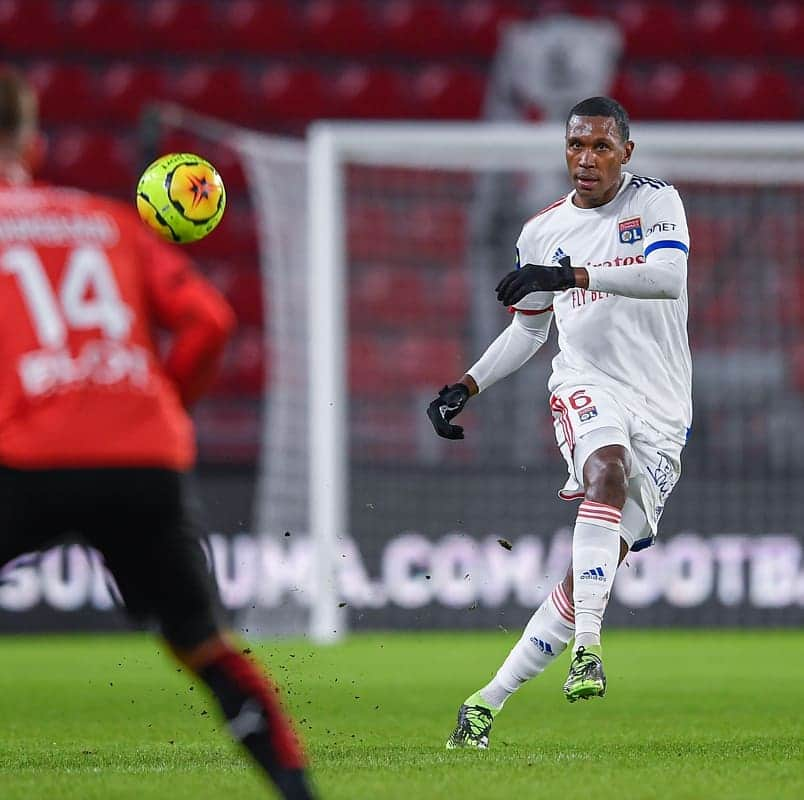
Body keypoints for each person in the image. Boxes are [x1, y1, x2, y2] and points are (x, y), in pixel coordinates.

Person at [0, 67, 316, 798]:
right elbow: (211, 320)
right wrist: (164, 403)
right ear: (32, 141)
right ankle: (299, 792)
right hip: (144, 455)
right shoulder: (105, 221)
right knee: (204, 646)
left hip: (28, 456)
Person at [427, 96, 691, 749]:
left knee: (582, 582)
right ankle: (589, 651)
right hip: (587, 383)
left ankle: (484, 703)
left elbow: (667, 278)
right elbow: (530, 331)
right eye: (576, 145)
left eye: (601, 146)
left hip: (663, 412)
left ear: (626, 153)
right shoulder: (542, 231)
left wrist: (569, 272)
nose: (586, 158)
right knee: (603, 470)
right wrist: (468, 383)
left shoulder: (657, 202)